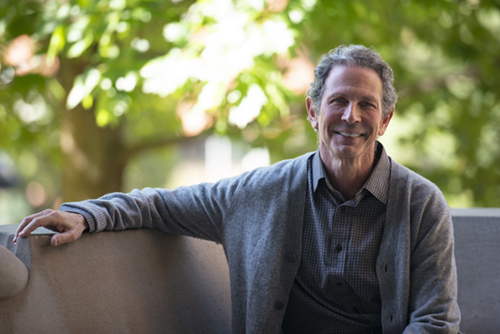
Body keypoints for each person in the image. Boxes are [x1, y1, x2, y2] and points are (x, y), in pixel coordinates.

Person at [14, 45, 461, 334]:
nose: (351, 116)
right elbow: (161, 205)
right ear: (312, 110)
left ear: (385, 119)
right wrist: (89, 215)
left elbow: (436, 321)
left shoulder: (421, 204)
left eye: (367, 104)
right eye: (338, 101)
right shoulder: (261, 192)